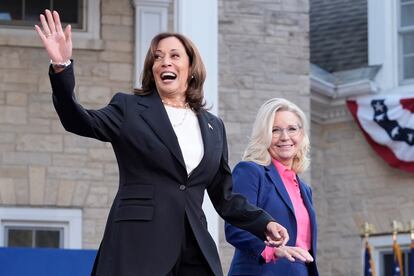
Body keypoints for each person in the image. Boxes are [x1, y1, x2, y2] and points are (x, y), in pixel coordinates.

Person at [34, 9, 290, 276]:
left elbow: (224, 197)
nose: (164, 62)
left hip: (193, 249)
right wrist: (62, 67)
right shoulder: (129, 109)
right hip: (139, 246)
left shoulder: (214, 127)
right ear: (152, 70)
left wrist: (264, 223)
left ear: (191, 68)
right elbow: (78, 120)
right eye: (157, 57)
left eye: (174, 56)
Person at [225, 98, 319, 276]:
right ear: (264, 135)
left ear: (302, 135)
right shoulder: (250, 171)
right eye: (275, 130)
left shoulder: (305, 189)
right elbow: (235, 228)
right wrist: (273, 251)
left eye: (292, 129)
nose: (285, 137)